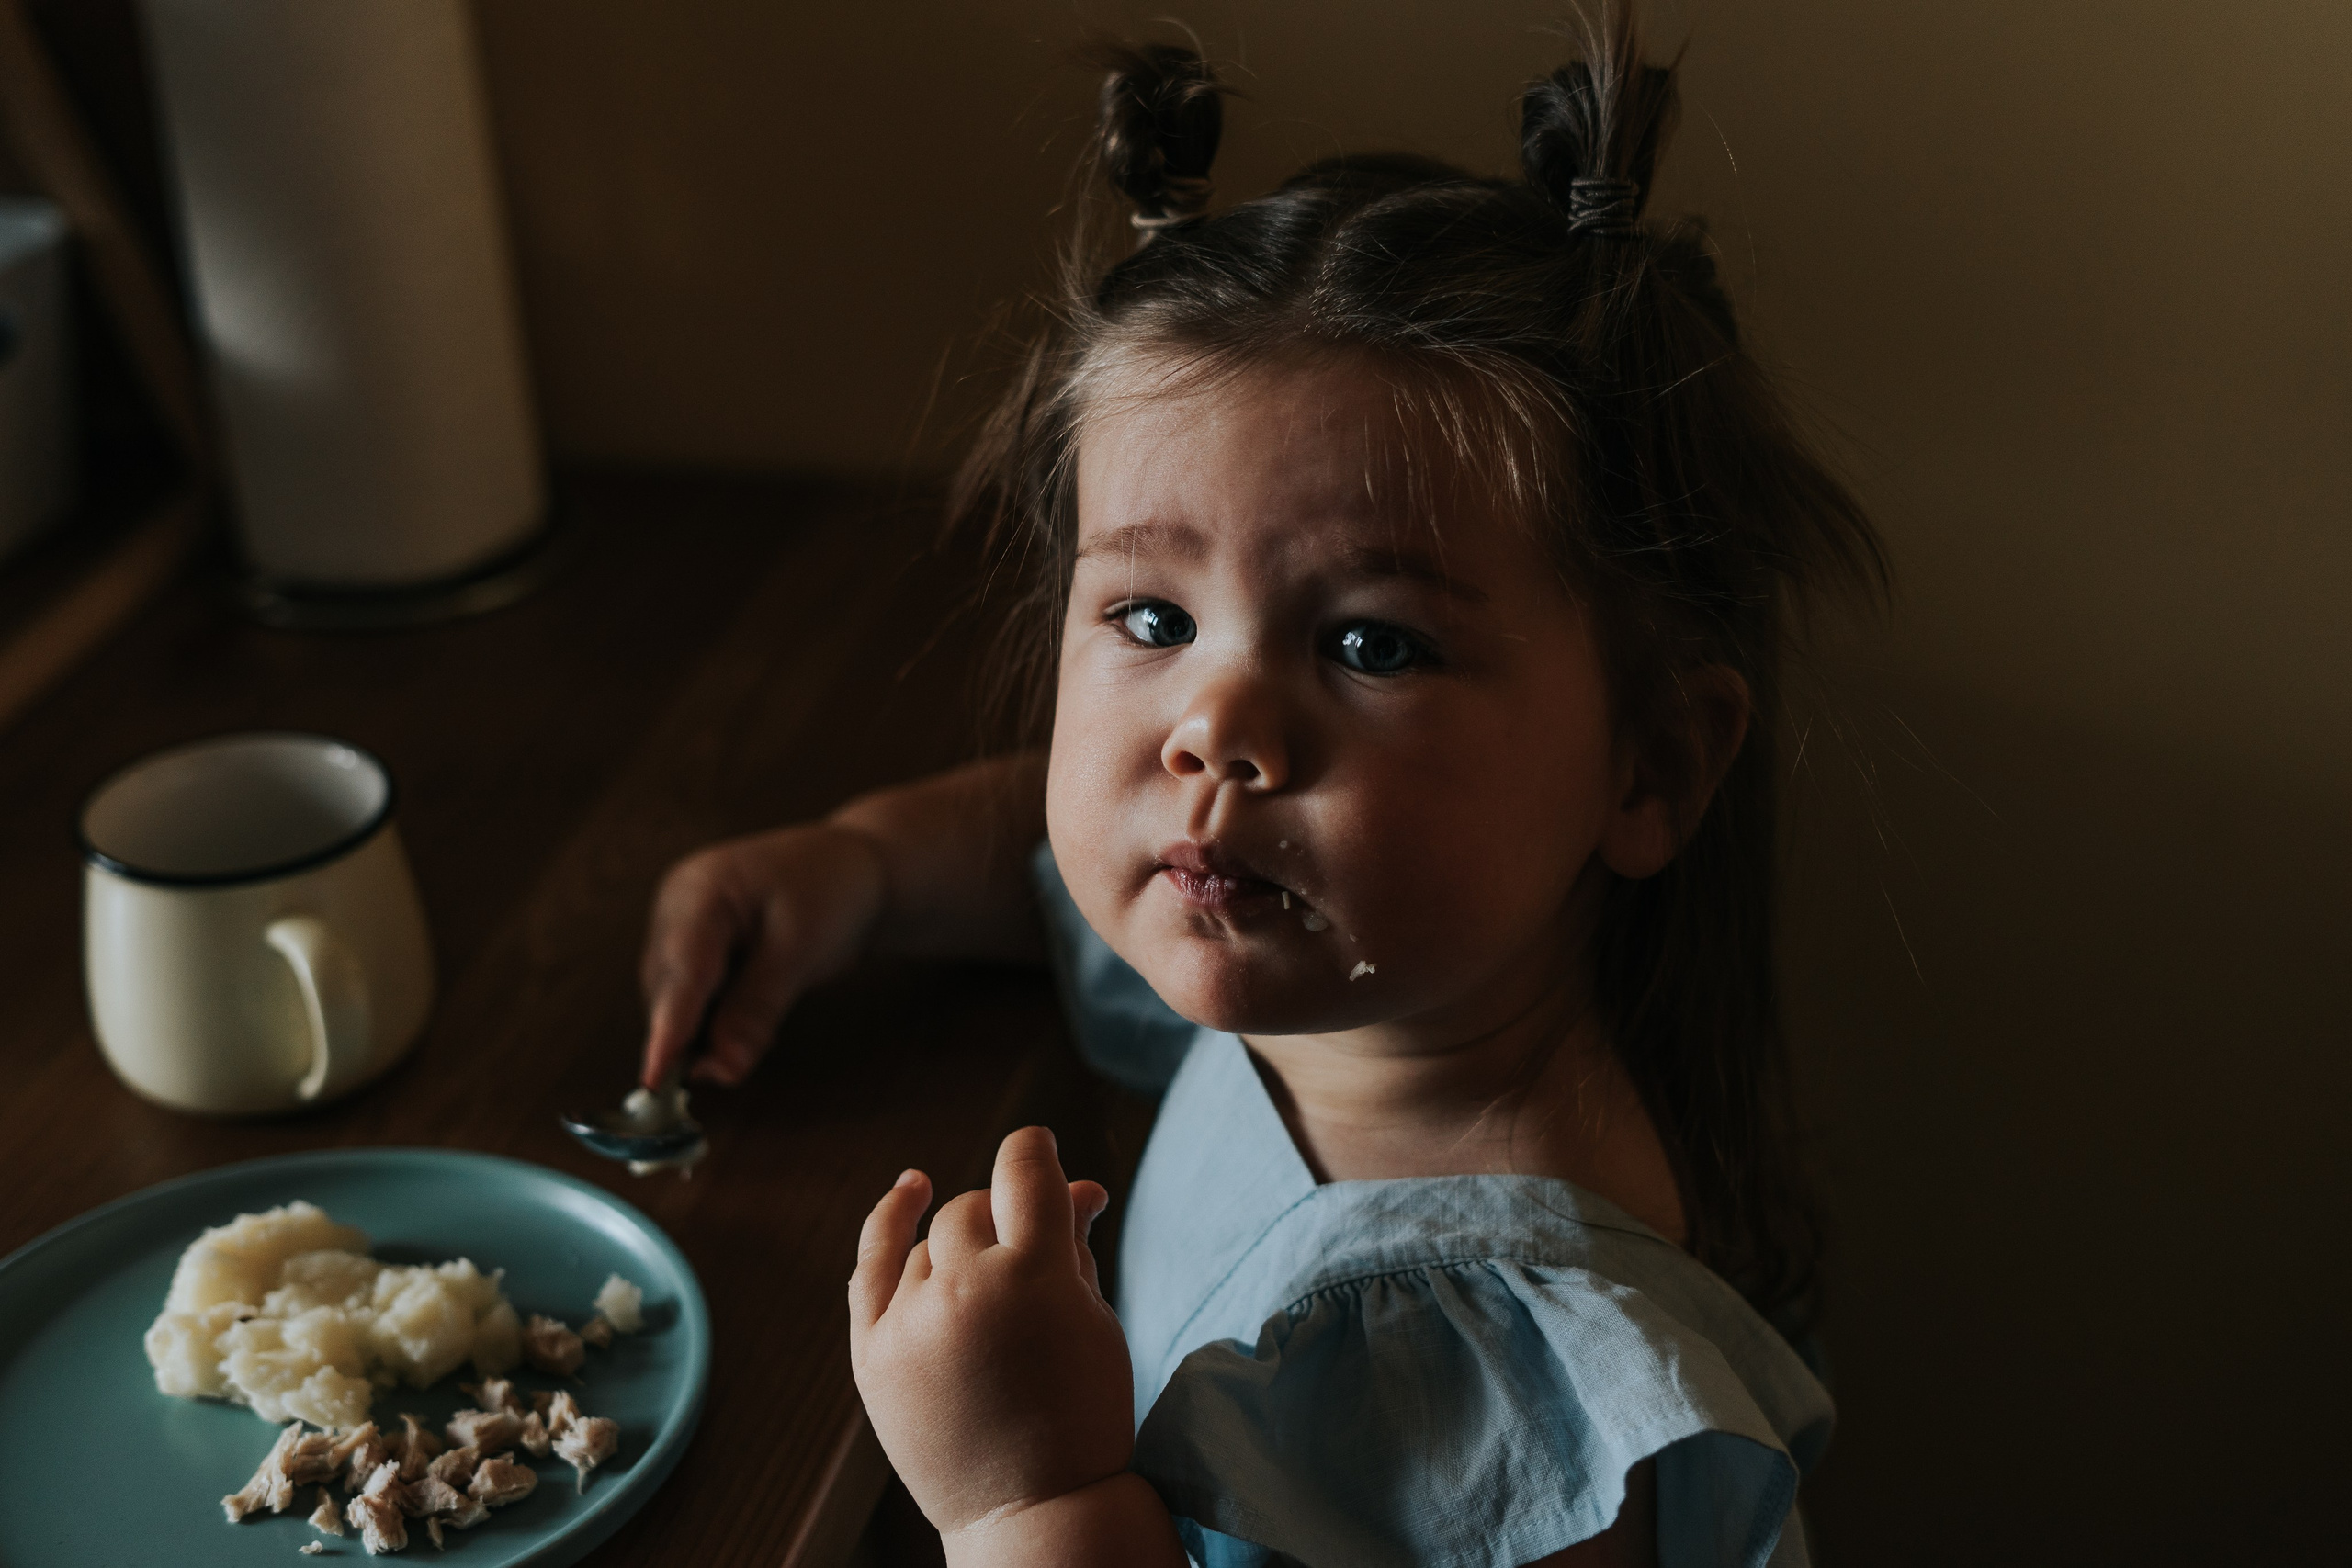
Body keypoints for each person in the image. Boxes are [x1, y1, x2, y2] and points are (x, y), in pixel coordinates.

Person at [637, 9, 1884, 1564]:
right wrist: (857, 867)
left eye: (1371, 642)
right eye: (1152, 620)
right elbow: (1063, 837)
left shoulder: (1504, 1371)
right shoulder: (1347, 962)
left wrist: (1027, 1499)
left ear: (1655, 766)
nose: (1210, 732)